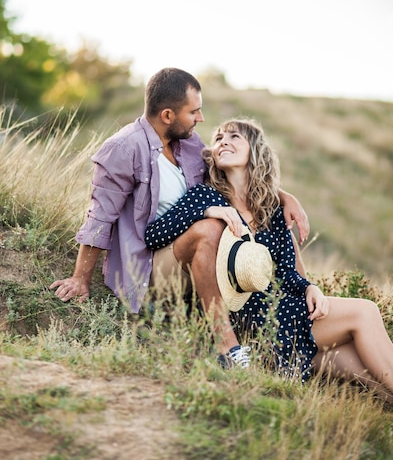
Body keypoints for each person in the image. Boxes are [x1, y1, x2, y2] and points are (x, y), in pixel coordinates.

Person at [50, 68, 309, 363]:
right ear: (168, 116)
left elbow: (238, 164)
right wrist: (80, 278)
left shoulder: (189, 143)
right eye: (194, 112)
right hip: (147, 265)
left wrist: (282, 196)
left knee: (217, 233)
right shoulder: (123, 148)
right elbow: (100, 216)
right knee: (209, 228)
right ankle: (227, 347)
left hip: (195, 259)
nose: (200, 119)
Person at [145, 118, 393, 400]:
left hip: (276, 312)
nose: (223, 141)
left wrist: (310, 288)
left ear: (255, 151)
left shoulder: (272, 210)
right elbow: (154, 234)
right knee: (365, 311)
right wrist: (207, 213)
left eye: (234, 136)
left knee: (360, 366)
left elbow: (287, 273)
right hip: (239, 316)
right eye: (218, 139)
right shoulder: (204, 196)